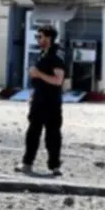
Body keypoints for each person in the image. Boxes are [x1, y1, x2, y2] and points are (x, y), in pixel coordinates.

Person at [18, 25, 66, 176]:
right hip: (39, 99)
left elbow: (58, 80)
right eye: (37, 37)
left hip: (51, 102)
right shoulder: (42, 55)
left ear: (49, 38)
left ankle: (54, 165)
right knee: (33, 132)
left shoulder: (56, 56)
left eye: (40, 37)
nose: (38, 40)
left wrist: (38, 74)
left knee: (53, 134)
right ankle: (27, 162)